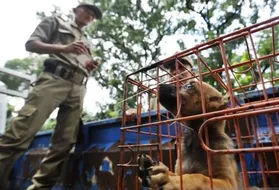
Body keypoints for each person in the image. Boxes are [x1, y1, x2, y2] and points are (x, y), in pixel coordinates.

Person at [0, 3, 102, 190]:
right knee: (19, 134)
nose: (90, 16)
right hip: (53, 80)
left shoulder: (88, 43)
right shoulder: (55, 22)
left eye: (93, 15)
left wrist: (90, 66)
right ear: (75, 10)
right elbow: (31, 44)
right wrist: (65, 48)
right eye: (87, 10)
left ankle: (40, 187)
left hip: (79, 87)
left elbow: (84, 63)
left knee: (64, 145)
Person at [125, 56, 194, 120]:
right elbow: (148, 116)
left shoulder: (201, 94)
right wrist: (136, 113)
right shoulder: (157, 98)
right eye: (172, 69)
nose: (175, 72)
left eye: (181, 67)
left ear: (192, 74)